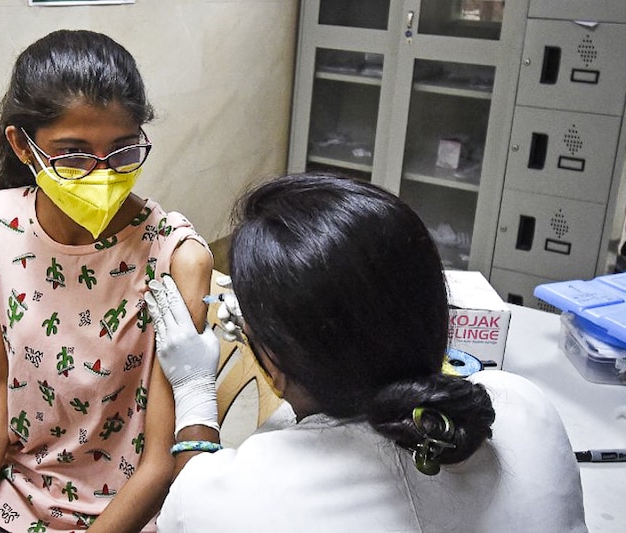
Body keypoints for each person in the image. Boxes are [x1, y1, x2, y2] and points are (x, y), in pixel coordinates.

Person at [146, 172, 587, 532]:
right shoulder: (525, 406)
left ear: (276, 362)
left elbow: (192, 507)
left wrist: (193, 390)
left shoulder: (236, 498)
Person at [0, 30, 212, 533]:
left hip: (126, 513)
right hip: (18, 502)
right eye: (72, 154)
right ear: (22, 146)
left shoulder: (173, 257)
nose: (101, 175)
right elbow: (1, 381)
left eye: (120, 152)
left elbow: (159, 461)